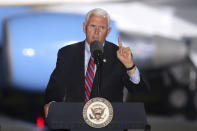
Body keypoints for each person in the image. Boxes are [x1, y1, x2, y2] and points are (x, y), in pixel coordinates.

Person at [44, 8, 149, 120]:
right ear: (84, 27)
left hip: (111, 124)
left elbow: (140, 91)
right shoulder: (67, 53)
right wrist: (52, 103)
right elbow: (56, 86)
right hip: (75, 122)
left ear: (108, 31)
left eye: (102, 28)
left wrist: (130, 66)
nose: (97, 32)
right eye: (93, 26)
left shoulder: (119, 55)